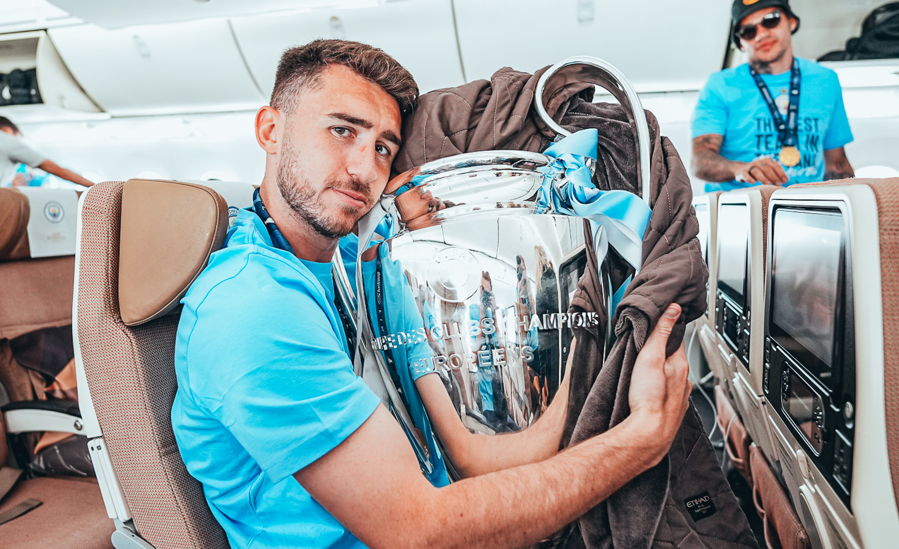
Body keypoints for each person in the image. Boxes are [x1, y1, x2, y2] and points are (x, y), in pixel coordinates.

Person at [172, 39, 691, 549]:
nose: (364, 170)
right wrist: (637, 440)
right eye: (341, 130)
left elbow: (468, 458)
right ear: (271, 130)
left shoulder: (360, 270)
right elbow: (419, 530)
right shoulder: (251, 305)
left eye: (382, 147)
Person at [691, 0, 855, 193]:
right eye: (749, 31)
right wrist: (740, 169)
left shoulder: (826, 80)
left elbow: (837, 165)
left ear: (791, 22)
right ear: (741, 43)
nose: (761, 34)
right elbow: (700, 161)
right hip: (742, 206)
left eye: (771, 20)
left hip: (810, 206)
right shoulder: (721, 85)